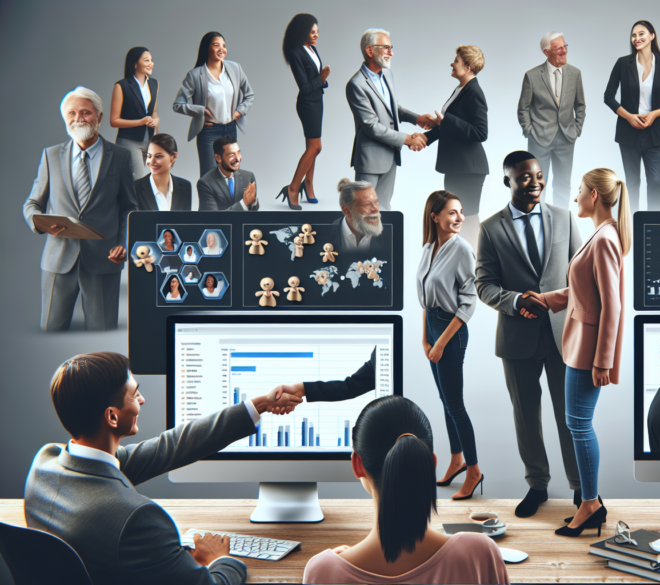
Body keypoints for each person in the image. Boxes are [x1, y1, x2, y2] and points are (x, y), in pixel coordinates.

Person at [24, 352, 302, 585]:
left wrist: (260, 405)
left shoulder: (45, 464)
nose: (142, 400)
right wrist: (221, 559)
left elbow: (171, 446)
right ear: (112, 416)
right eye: (135, 394)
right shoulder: (136, 518)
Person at [524, 168, 630, 537]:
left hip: (587, 351)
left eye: (580, 191)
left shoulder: (604, 239)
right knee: (578, 425)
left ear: (595, 196)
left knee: (579, 426)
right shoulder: (602, 235)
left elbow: (612, 306)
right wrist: (547, 300)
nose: (575, 198)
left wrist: (603, 360)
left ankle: (590, 504)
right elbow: (583, 291)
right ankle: (591, 502)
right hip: (581, 346)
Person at [476, 151, 583, 518]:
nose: (535, 182)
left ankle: (581, 488)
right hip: (516, 338)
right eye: (525, 177)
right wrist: (515, 299)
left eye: (539, 175)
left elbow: (583, 277)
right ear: (508, 181)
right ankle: (537, 485)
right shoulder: (490, 228)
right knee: (526, 416)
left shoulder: (566, 219)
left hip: (563, 334)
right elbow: (484, 285)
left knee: (571, 415)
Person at [302, 396, 509, 584]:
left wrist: (332, 567)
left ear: (357, 464)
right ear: (431, 464)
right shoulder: (480, 555)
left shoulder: (322, 573)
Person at [23, 87, 135, 331]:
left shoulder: (120, 157)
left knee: (102, 334)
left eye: (85, 113)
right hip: (58, 260)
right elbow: (32, 203)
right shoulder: (50, 156)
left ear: (100, 116)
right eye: (72, 113)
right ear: (65, 119)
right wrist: (38, 222)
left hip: (105, 259)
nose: (78, 119)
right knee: (51, 330)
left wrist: (124, 244)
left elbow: (129, 208)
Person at [416, 190, 484, 500]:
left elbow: (469, 303)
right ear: (435, 216)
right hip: (432, 325)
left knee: (455, 404)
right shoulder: (429, 247)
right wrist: (424, 336)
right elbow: (425, 299)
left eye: (461, 212)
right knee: (445, 400)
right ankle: (456, 458)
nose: (459, 217)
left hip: (451, 331)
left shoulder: (462, 249)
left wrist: (440, 342)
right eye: (452, 212)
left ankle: (473, 469)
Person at [346, 28, 434, 211]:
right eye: (386, 48)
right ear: (370, 51)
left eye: (390, 47)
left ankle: (381, 241)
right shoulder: (356, 85)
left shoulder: (387, 74)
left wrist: (416, 118)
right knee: (363, 212)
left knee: (384, 209)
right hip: (369, 160)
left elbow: (393, 108)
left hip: (390, 156)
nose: (391, 53)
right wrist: (408, 139)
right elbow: (371, 126)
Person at [604, 20, 660, 212]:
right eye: (633, 35)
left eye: (641, 34)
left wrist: (655, 114)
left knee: (655, 181)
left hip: (653, 132)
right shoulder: (623, 63)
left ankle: (654, 223)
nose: (637, 39)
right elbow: (609, 96)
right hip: (628, 132)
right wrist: (629, 116)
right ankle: (632, 225)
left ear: (652, 36)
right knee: (632, 182)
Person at [424, 45, 489, 249]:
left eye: (457, 60)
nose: (452, 63)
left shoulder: (474, 91)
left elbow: (481, 132)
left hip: (468, 170)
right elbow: (447, 126)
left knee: (466, 217)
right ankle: (462, 261)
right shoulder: (461, 89)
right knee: (456, 216)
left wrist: (448, 121)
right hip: (457, 168)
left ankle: (476, 265)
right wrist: (424, 138)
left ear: (468, 67)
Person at [517, 32, 586, 208]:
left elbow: (580, 105)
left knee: (563, 184)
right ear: (546, 52)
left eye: (565, 47)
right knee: (536, 185)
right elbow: (523, 108)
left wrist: (576, 129)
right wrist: (529, 132)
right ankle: (537, 221)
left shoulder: (575, 73)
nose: (564, 51)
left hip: (566, 138)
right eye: (558, 48)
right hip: (539, 139)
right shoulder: (532, 76)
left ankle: (560, 223)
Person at [173, 31, 256, 179]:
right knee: (209, 177)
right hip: (208, 132)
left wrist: (239, 112)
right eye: (216, 45)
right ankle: (207, 203)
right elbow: (178, 104)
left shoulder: (235, 69)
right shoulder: (195, 75)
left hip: (230, 129)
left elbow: (249, 95)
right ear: (207, 48)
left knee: (230, 174)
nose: (221, 49)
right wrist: (201, 110)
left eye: (224, 45)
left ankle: (230, 203)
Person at [279, 14, 331, 210]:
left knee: (313, 147)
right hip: (307, 104)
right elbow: (304, 86)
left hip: (318, 102)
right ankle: (293, 187)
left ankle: (308, 185)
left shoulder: (312, 49)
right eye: (312, 32)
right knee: (315, 148)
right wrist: (322, 78)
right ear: (302, 32)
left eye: (317, 31)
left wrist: (322, 79)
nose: (316, 35)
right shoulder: (296, 53)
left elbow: (316, 80)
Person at [110, 47, 159, 179]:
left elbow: (153, 111)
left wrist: (156, 120)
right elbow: (114, 121)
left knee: (137, 181)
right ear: (135, 64)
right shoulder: (121, 86)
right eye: (146, 60)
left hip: (148, 140)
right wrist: (141, 122)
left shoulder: (154, 84)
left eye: (152, 60)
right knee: (136, 179)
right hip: (129, 141)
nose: (151, 63)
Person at [197, 136, 258, 211]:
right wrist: (244, 203)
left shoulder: (248, 176)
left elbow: (253, 212)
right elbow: (212, 219)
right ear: (218, 158)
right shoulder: (206, 183)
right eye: (232, 155)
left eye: (238, 153)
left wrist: (254, 201)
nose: (238, 158)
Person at [133, 133, 192, 211]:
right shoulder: (135, 188)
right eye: (149, 156)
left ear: (173, 157)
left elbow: (186, 221)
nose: (152, 161)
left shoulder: (185, 186)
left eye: (158, 156)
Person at [330, 178, 386, 254]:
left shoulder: (389, 233)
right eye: (366, 205)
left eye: (376, 202)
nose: (376, 209)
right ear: (347, 210)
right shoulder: (325, 233)